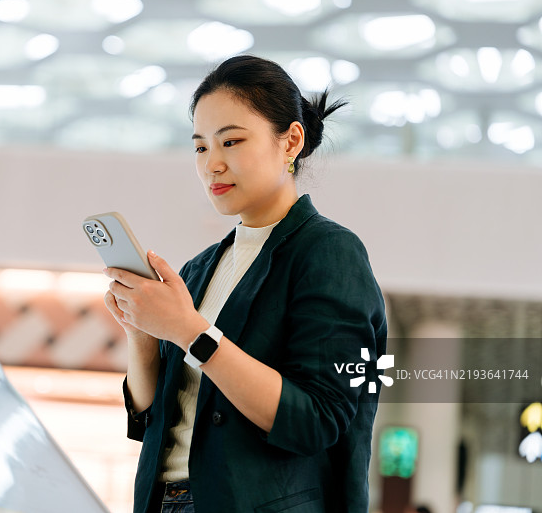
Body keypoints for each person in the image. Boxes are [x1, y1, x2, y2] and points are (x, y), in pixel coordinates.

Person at [103, 54, 388, 513]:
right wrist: (141, 333)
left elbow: (316, 419)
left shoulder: (329, 252)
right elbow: (149, 423)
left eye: (231, 142)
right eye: (199, 148)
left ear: (291, 140)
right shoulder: (199, 269)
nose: (212, 164)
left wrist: (188, 331)